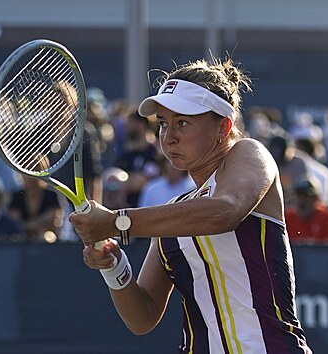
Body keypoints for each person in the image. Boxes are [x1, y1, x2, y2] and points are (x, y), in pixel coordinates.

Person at [70, 57, 312, 353]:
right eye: (162, 124)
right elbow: (143, 318)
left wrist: (117, 221)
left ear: (223, 128)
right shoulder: (174, 214)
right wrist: (112, 265)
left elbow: (225, 211)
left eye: (182, 122)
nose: (168, 137)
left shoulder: (250, 153)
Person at [284, 176, 328, 245]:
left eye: (307, 197)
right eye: (299, 196)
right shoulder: (286, 218)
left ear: (316, 198)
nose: (302, 201)